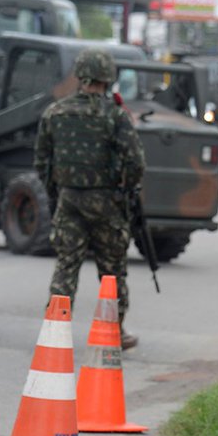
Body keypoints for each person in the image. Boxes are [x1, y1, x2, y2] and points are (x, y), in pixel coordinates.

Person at [35, 48, 146, 350]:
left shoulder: (55, 113)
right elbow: (136, 162)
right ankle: (114, 332)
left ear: (81, 75)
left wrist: (56, 193)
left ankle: (54, 331)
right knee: (112, 272)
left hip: (69, 200)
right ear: (108, 78)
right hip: (107, 204)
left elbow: (42, 162)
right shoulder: (115, 115)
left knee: (66, 266)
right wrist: (127, 189)